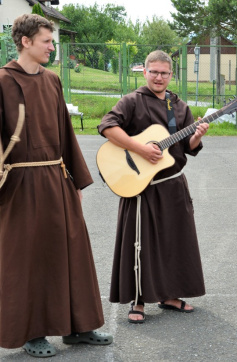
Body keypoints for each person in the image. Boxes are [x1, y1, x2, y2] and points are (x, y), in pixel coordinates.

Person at [0, 14, 112, 357]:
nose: (52, 47)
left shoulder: (52, 80)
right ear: (26, 42)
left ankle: (78, 327)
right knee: (29, 258)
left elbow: (65, 130)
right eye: (47, 41)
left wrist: (76, 179)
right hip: (20, 182)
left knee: (72, 252)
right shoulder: (2, 81)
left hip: (57, 178)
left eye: (52, 41)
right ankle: (33, 332)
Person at [98, 50, 208, 323]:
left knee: (175, 242)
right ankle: (138, 301)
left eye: (164, 73)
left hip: (172, 185)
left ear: (172, 75)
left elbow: (187, 149)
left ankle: (170, 295)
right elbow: (107, 126)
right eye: (154, 72)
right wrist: (140, 149)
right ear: (144, 72)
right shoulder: (132, 101)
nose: (159, 77)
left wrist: (195, 136)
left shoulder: (179, 107)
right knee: (139, 245)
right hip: (141, 187)